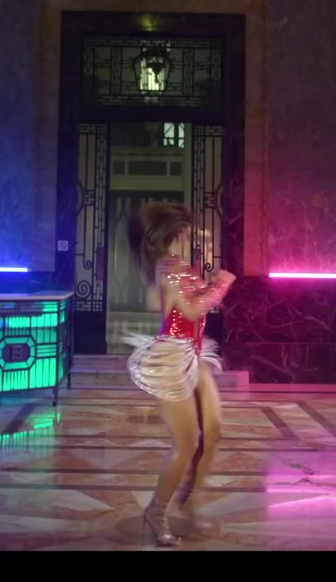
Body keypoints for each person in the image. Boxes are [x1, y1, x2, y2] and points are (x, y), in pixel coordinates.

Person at [124, 202, 236, 546]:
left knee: (213, 431)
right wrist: (221, 284)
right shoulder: (169, 266)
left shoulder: (176, 267)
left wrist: (201, 287)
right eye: (187, 230)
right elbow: (190, 308)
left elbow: (162, 303)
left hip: (193, 353)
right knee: (187, 443)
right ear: (176, 231)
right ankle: (156, 511)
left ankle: (190, 498)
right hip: (172, 358)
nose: (190, 235)